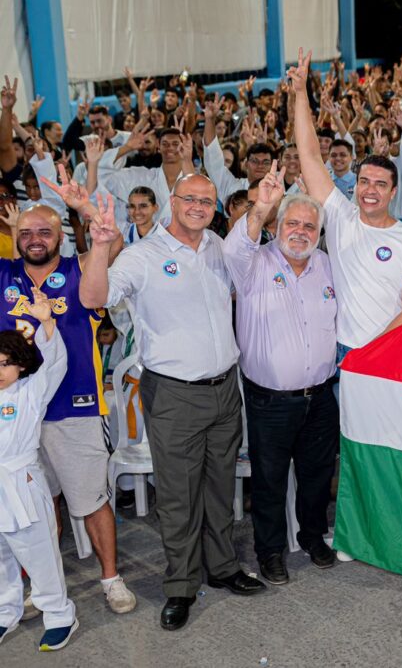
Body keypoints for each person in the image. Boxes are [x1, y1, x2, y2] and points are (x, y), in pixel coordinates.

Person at [80, 174, 266, 632]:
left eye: (207, 200)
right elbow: (94, 297)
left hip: (225, 388)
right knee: (179, 497)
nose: (199, 206)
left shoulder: (217, 246)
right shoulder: (144, 257)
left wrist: (262, 210)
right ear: (173, 201)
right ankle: (181, 586)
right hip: (174, 394)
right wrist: (101, 247)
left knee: (220, 489)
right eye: (190, 199)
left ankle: (221, 568)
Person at [0, 190, 136, 617]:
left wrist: (89, 211)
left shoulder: (82, 271)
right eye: (26, 232)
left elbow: (112, 244)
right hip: (17, 414)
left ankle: (110, 579)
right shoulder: (4, 275)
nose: (35, 239)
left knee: (90, 500)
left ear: (61, 235)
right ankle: (45, 587)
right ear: (13, 235)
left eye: (45, 231)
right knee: (38, 505)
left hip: (74, 406)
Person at [222, 162, 340, 585]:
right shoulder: (251, 264)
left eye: (310, 225)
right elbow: (235, 248)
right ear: (276, 225)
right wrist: (259, 208)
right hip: (269, 401)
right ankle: (269, 551)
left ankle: (312, 537)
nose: (302, 231)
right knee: (269, 481)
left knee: (317, 475)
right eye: (293, 222)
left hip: (322, 396)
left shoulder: (327, 266)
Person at [288, 49, 402, 359]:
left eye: (380, 184)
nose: (370, 190)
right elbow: (310, 155)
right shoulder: (341, 216)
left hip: (392, 353)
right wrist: (301, 95)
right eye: (364, 182)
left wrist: (371, 356)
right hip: (343, 353)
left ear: (393, 192)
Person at [0, 286, 76, 651]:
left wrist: (46, 323)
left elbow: (55, 361)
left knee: (38, 552)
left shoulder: (32, 389)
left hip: (21, 482)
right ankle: (4, 612)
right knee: (0, 556)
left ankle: (61, 614)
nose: (0, 371)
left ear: (21, 363)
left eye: (6, 363)